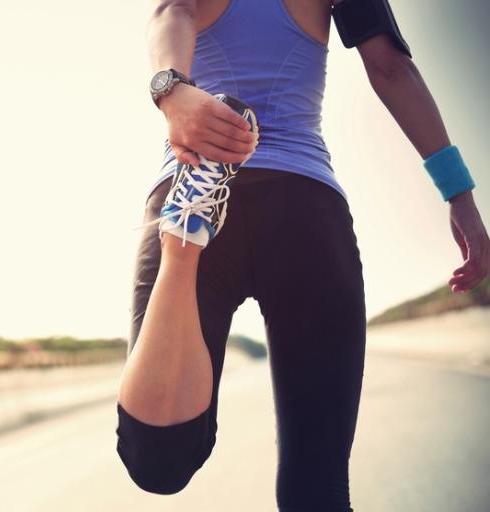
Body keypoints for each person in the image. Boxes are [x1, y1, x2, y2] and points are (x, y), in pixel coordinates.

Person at [115, 0, 490, 510]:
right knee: (317, 487)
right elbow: (391, 67)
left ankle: (186, 237)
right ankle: (186, 238)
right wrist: (458, 195)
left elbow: (174, 10)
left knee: (158, 461)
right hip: (304, 207)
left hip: (194, 177)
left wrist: (172, 90)